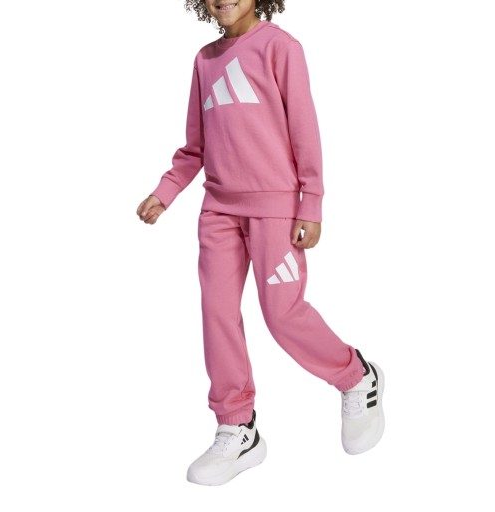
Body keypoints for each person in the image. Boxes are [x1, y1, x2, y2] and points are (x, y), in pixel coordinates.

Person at [137, 0, 385, 486]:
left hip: (276, 211)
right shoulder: (204, 60)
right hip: (218, 211)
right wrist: (165, 192)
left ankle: (356, 376)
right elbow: (195, 146)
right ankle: (237, 425)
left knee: (282, 313)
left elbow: (304, 131)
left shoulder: (280, 48)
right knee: (218, 314)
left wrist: (310, 204)